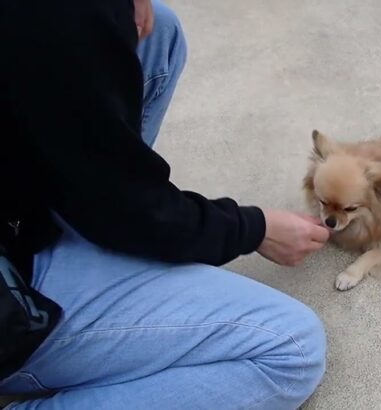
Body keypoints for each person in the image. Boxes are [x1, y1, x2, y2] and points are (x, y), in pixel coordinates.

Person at [0, 0, 330, 408]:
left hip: (24, 204)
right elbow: (129, 211)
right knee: (290, 348)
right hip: (11, 292)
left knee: (160, 35)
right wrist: (252, 228)